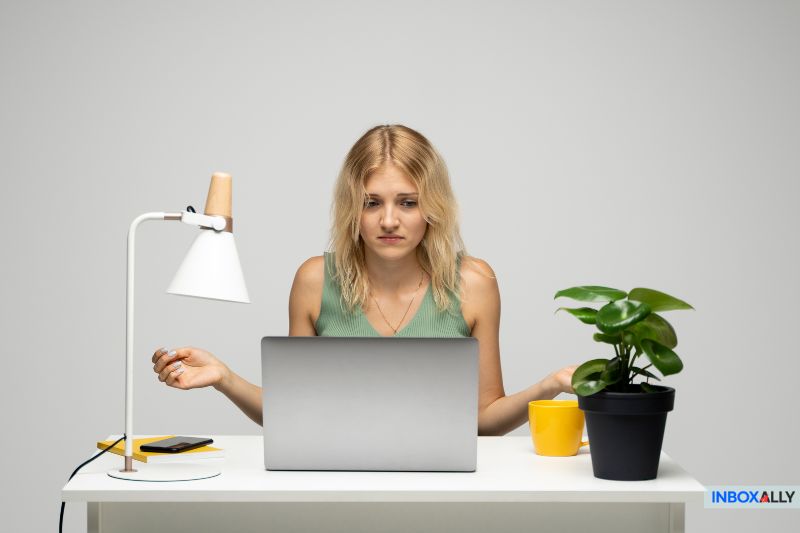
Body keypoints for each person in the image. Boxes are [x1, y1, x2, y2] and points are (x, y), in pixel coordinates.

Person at [151, 124, 576, 436]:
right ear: (352, 208)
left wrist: (549, 385)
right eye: (372, 203)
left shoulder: (474, 283)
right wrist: (224, 377)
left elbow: (485, 418)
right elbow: (292, 410)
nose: (389, 220)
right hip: (336, 486)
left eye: (407, 203)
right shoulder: (315, 280)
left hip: (441, 489)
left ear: (432, 208)